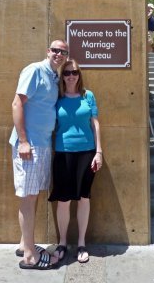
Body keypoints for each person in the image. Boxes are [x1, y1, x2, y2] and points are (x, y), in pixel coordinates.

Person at [9, 40, 69, 270]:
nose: (59, 54)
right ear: (48, 51)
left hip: (42, 145)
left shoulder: (54, 77)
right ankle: (30, 257)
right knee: (27, 196)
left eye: (63, 52)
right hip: (29, 146)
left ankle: (26, 244)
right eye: (55, 50)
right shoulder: (34, 70)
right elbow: (17, 104)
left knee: (31, 195)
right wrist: (23, 141)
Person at [48, 59, 103, 264]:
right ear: (62, 76)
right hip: (63, 153)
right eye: (67, 73)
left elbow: (95, 124)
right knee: (63, 200)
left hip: (86, 153)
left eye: (75, 72)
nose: (71, 76)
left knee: (83, 198)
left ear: (79, 75)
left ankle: (81, 243)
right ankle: (62, 243)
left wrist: (98, 152)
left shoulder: (88, 96)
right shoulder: (57, 97)